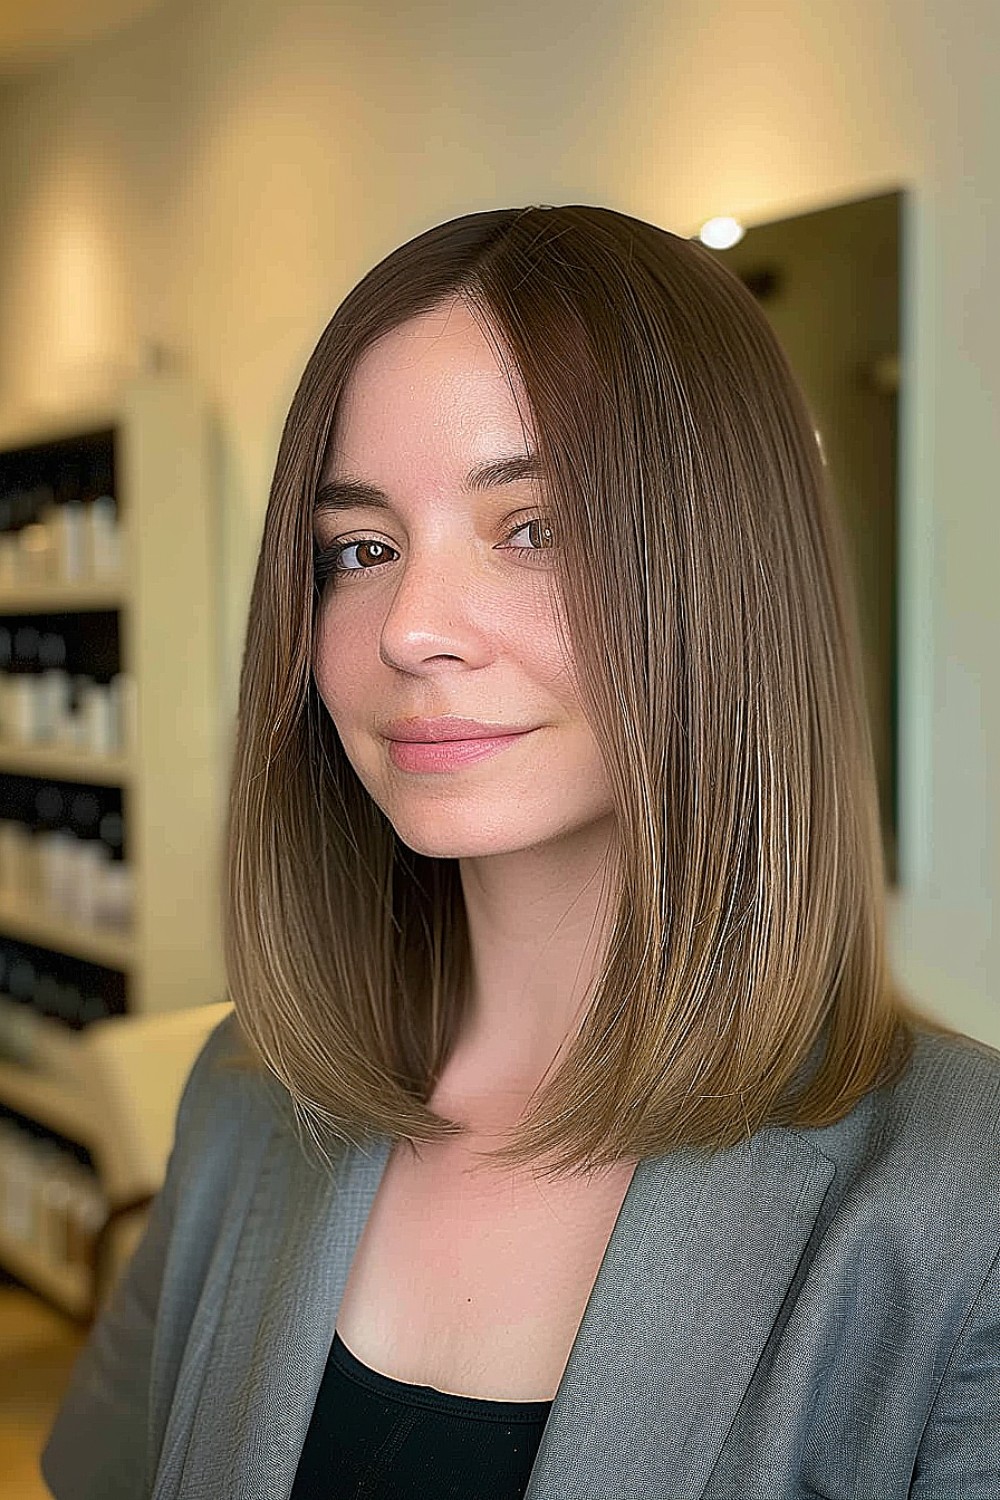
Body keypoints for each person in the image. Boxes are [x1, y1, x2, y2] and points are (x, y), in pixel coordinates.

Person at [41, 205, 999, 1500]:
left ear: (725, 572)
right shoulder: (248, 1094)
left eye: (533, 527)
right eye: (360, 551)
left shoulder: (962, 1203)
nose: (411, 629)